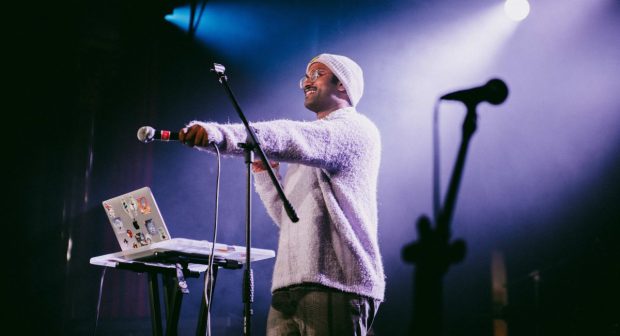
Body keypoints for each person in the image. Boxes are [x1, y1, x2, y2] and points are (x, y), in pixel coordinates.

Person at [179, 53, 385, 335]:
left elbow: (288, 134)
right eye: (306, 77)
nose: (307, 83)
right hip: (291, 286)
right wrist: (265, 175)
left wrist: (221, 134)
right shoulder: (314, 148)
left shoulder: (355, 129)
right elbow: (292, 220)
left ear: (343, 85)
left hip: (336, 284)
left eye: (318, 74)